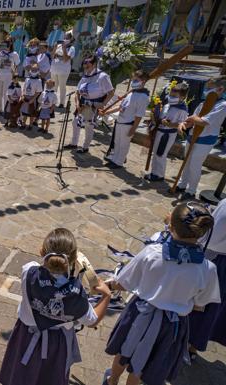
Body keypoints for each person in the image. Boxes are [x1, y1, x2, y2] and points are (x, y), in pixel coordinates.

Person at [103, 202, 220, 385]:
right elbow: (200, 304)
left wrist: (108, 286)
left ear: (170, 227)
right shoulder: (208, 269)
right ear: (202, 233)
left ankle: (112, 381)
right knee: (145, 361)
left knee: (125, 349)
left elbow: (124, 283)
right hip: (171, 325)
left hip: (138, 313)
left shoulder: (152, 253)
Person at [0, 228, 111, 385]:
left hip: (25, 336)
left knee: (20, 376)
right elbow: (92, 320)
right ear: (73, 260)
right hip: (56, 345)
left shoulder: (28, 272)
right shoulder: (77, 294)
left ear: (42, 251)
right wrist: (106, 296)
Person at [175, 77, 226, 200]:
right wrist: (183, 124)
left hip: (205, 139)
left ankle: (191, 190)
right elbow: (192, 120)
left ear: (220, 89)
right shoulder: (203, 103)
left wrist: (192, 119)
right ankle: (182, 184)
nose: (206, 90)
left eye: (209, 88)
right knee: (186, 162)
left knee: (195, 165)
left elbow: (204, 121)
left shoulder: (223, 105)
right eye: (206, 88)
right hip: (192, 136)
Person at [188, 198, 226, 359]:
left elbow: (213, 237)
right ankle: (194, 346)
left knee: (202, 302)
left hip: (218, 260)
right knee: (215, 305)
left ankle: (186, 344)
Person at [100, 70, 150, 169]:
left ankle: (119, 162)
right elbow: (121, 107)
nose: (133, 82)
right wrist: (106, 112)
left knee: (123, 144)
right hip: (120, 121)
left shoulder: (143, 97)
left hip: (128, 123)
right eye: (133, 79)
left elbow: (139, 115)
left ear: (143, 81)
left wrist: (133, 128)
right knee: (117, 142)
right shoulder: (131, 93)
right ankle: (115, 159)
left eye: (136, 80)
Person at [68, 56, 114, 153]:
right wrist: (77, 104)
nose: (86, 68)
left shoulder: (103, 76)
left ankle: (85, 147)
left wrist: (102, 104)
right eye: (84, 66)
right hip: (82, 104)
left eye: (88, 66)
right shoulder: (85, 75)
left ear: (94, 65)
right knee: (75, 122)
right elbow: (77, 91)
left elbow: (111, 92)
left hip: (94, 105)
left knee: (89, 126)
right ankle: (74, 143)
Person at [145, 83, 189, 182]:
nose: (171, 97)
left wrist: (170, 124)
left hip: (167, 134)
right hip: (159, 131)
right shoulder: (168, 105)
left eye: (174, 96)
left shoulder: (182, 109)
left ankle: (159, 175)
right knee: (156, 152)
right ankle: (154, 172)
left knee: (161, 153)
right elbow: (160, 117)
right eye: (170, 95)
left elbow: (182, 124)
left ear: (182, 97)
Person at [0, 40, 20, 116]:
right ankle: (1, 110)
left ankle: (6, 110)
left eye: (5, 45)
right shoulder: (1, 53)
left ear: (9, 46)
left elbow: (17, 63)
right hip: (0, 75)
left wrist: (15, 74)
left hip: (8, 76)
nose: (4, 47)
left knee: (6, 93)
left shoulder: (14, 54)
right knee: (0, 93)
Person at [50, 33, 75, 109]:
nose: (65, 39)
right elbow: (52, 56)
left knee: (62, 86)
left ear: (70, 39)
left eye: (67, 38)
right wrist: (54, 48)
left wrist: (64, 49)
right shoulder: (58, 46)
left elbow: (66, 59)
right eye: (64, 38)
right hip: (54, 68)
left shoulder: (72, 48)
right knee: (53, 86)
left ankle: (61, 103)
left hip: (64, 70)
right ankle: (52, 101)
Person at [21, 64, 43, 129]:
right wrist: (22, 95)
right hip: (26, 97)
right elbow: (24, 88)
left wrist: (33, 99)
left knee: (31, 113)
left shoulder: (39, 80)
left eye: (35, 70)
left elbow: (38, 91)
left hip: (32, 98)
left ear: (38, 71)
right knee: (24, 112)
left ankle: (30, 125)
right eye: (32, 69)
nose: (33, 71)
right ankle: (23, 124)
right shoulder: (27, 79)